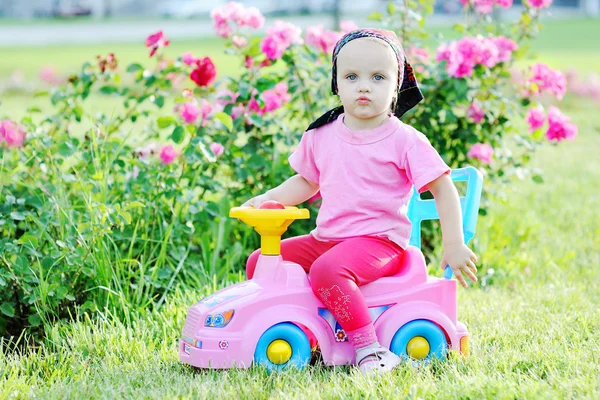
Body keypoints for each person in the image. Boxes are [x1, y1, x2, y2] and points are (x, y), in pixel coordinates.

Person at [242, 29, 478, 376]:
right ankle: (307, 329)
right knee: (261, 262)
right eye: (352, 76)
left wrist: (454, 244)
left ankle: (370, 349)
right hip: (328, 239)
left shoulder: (404, 140)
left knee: (327, 270)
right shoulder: (321, 134)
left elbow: (443, 188)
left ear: (396, 85)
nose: (363, 86)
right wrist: (269, 198)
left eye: (377, 77)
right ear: (336, 82)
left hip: (379, 241)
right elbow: (307, 181)